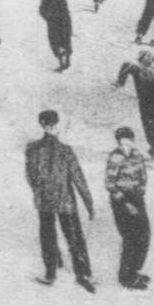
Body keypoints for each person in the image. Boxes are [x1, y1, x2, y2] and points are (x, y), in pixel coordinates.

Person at [25, 110, 96, 292]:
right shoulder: (65, 150)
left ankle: (50, 273)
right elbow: (78, 178)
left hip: (44, 199)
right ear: (56, 125)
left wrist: (39, 191)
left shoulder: (32, 149)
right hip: (65, 199)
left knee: (47, 234)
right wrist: (89, 203)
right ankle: (83, 273)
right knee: (74, 236)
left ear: (42, 125)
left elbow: (31, 176)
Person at [105, 127, 151, 290]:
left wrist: (141, 189)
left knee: (144, 235)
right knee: (130, 238)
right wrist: (126, 204)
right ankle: (126, 276)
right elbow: (110, 184)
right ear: (118, 142)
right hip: (121, 201)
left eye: (129, 140)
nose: (127, 144)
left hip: (136, 198)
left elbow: (143, 174)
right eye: (123, 141)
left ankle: (135, 270)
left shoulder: (137, 155)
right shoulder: (115, 158)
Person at [40, 0, 73, 71]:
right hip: (65, 23)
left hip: (53, 23)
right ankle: (67, 57)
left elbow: (42, 10)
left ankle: (61, 56)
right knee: (66, 40)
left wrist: (48, 17)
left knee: (55, 42)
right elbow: (67, 13)